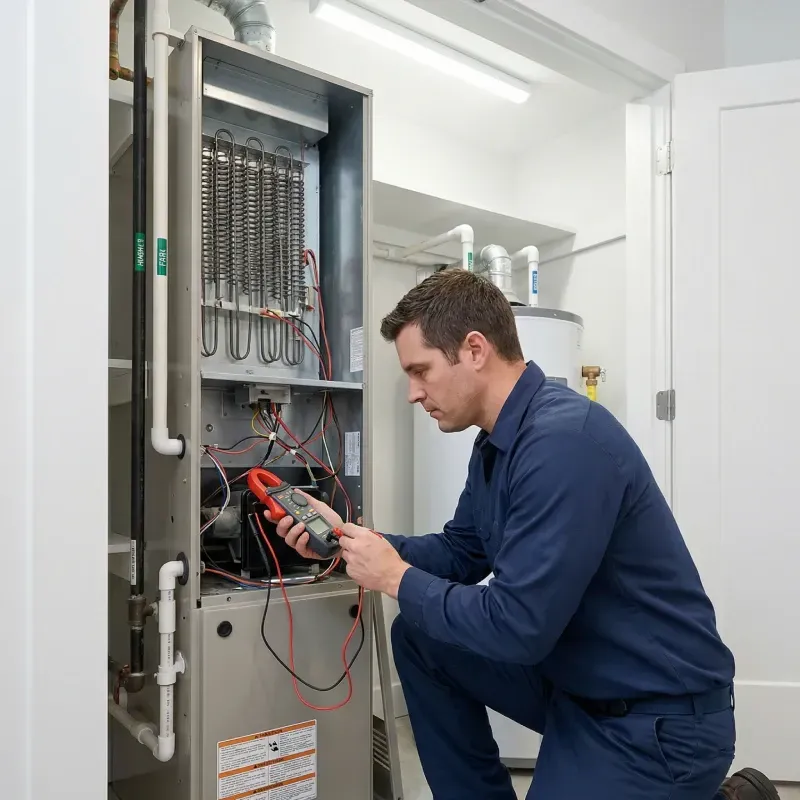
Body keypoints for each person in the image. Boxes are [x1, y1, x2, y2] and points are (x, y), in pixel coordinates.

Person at [269, 269, 778, 800]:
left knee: (427, 612)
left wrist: (395, 578)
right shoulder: (496, 443)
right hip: (579, 687)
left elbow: (518, 627)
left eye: (420, 371)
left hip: (655, 722)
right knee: (421, 637)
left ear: (473, 349)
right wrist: (358, 543)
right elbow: (461, 552)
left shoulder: (563, 443)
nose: (413, 394)